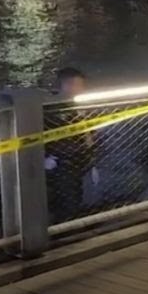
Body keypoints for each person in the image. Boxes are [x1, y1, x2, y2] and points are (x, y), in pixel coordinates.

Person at [46, 67, 96, 223]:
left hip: (81, 159)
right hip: (60, 162)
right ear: (66, 86)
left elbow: (90, 135)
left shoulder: (80, 107)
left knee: (78, 194)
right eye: (78, 85)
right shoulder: (49, 110)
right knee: (67, 198)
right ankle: (67, 223)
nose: (81, 90)